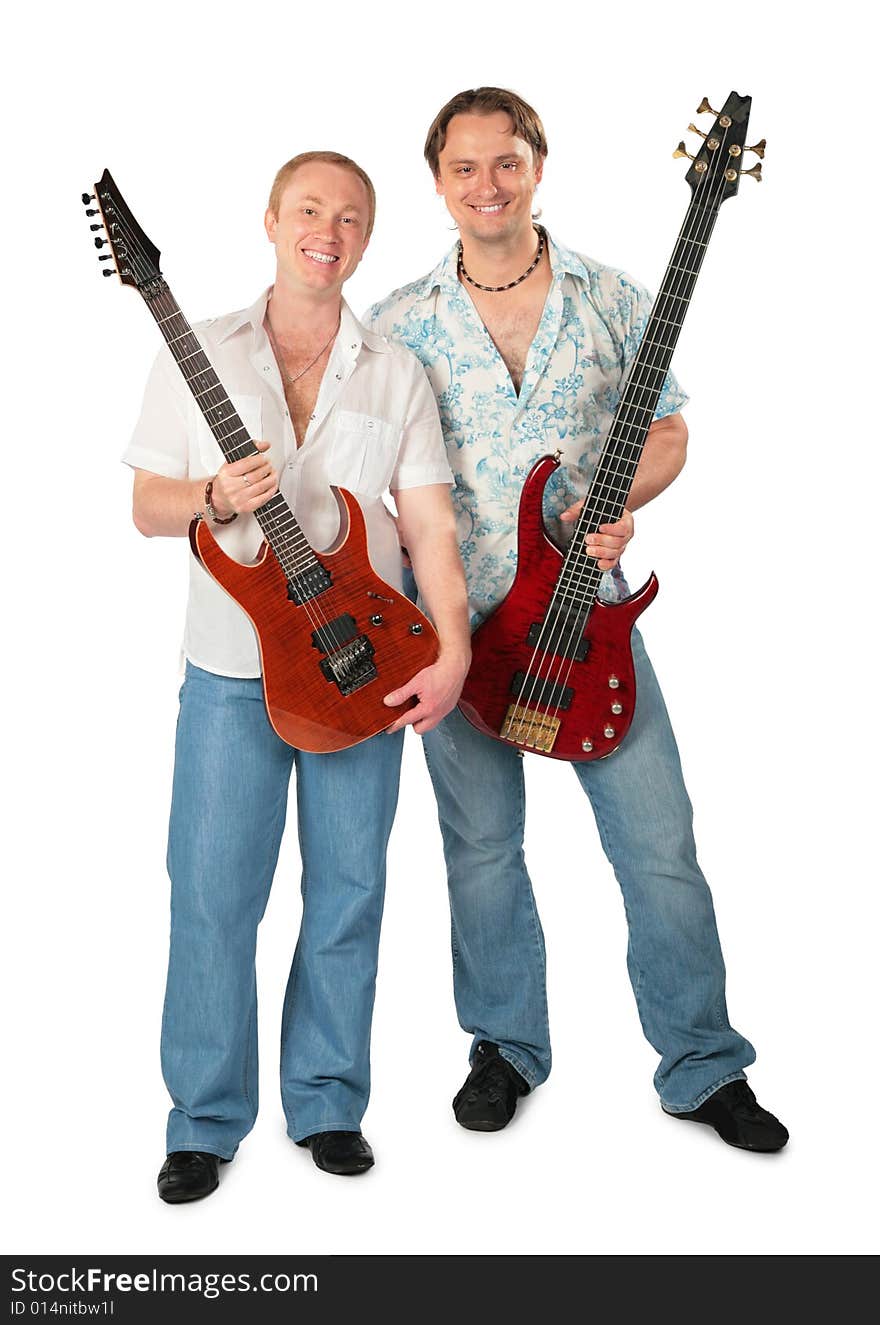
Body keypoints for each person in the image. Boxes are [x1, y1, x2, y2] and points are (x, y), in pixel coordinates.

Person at [365, 88, 788, 1152]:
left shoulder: (607, 295)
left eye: (504, 162)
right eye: (463, 168)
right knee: (481, 851)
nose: (486, 185)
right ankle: (505, 1046)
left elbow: (671, 429)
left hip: (589, 618)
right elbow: (373, 479)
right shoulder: (401, 319)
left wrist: (622, 508)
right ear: (438, 184)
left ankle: (700, 1064)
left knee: (659, 848)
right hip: (456, 630)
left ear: (537, 166)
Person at [124, 150, 471, 1202]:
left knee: (350, 893)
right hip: (232, 672)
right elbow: (147, 503)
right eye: (310, 209)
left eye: (352, 216)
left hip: (366, 672)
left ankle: (325, 1100)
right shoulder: (201, 354)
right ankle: (203, 1118)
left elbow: (429, 525)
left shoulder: (396, 369)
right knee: (212, 896)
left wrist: (450, 649)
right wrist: (212, 492)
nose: (330, 229)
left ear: (367, 236)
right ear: (272, 220)